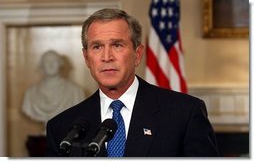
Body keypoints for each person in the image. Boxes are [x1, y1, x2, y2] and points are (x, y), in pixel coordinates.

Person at [46, 8, 220, 157]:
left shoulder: (184, 113)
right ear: (86, 58)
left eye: (117, 45)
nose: (107, 57)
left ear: (137, 54)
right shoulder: (62, 128)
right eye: (97, 47)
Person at [22, 50, 85, 126]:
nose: (50, 64)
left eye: (54, 61)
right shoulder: (30, 93)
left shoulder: (75, 91)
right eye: (46, 61)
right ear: (42, 65)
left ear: (60, 64)